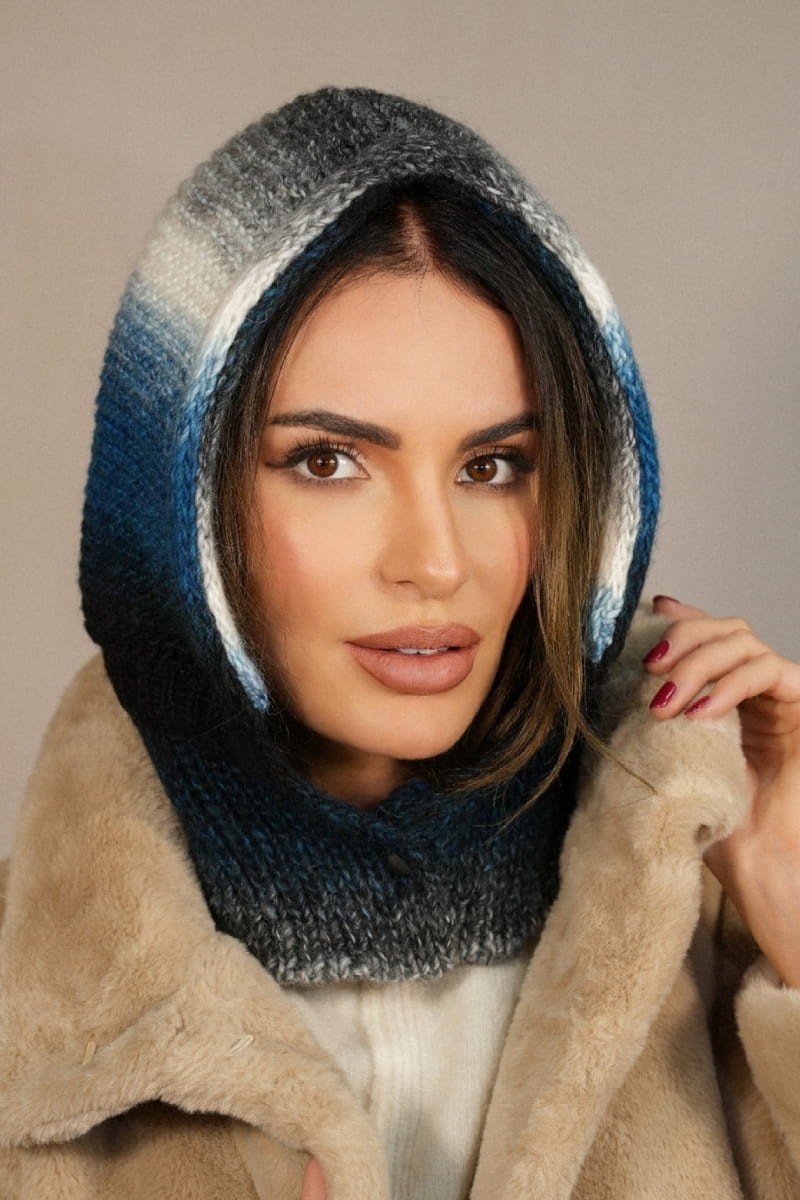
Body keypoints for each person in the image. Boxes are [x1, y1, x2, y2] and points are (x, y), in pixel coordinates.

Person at [0, 87, 798, 1200]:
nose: (435, 561)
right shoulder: (22, 1011)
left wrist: (785, 887)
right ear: (176, 501)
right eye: (327, 461)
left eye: (492, 466)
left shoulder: (712, 926)